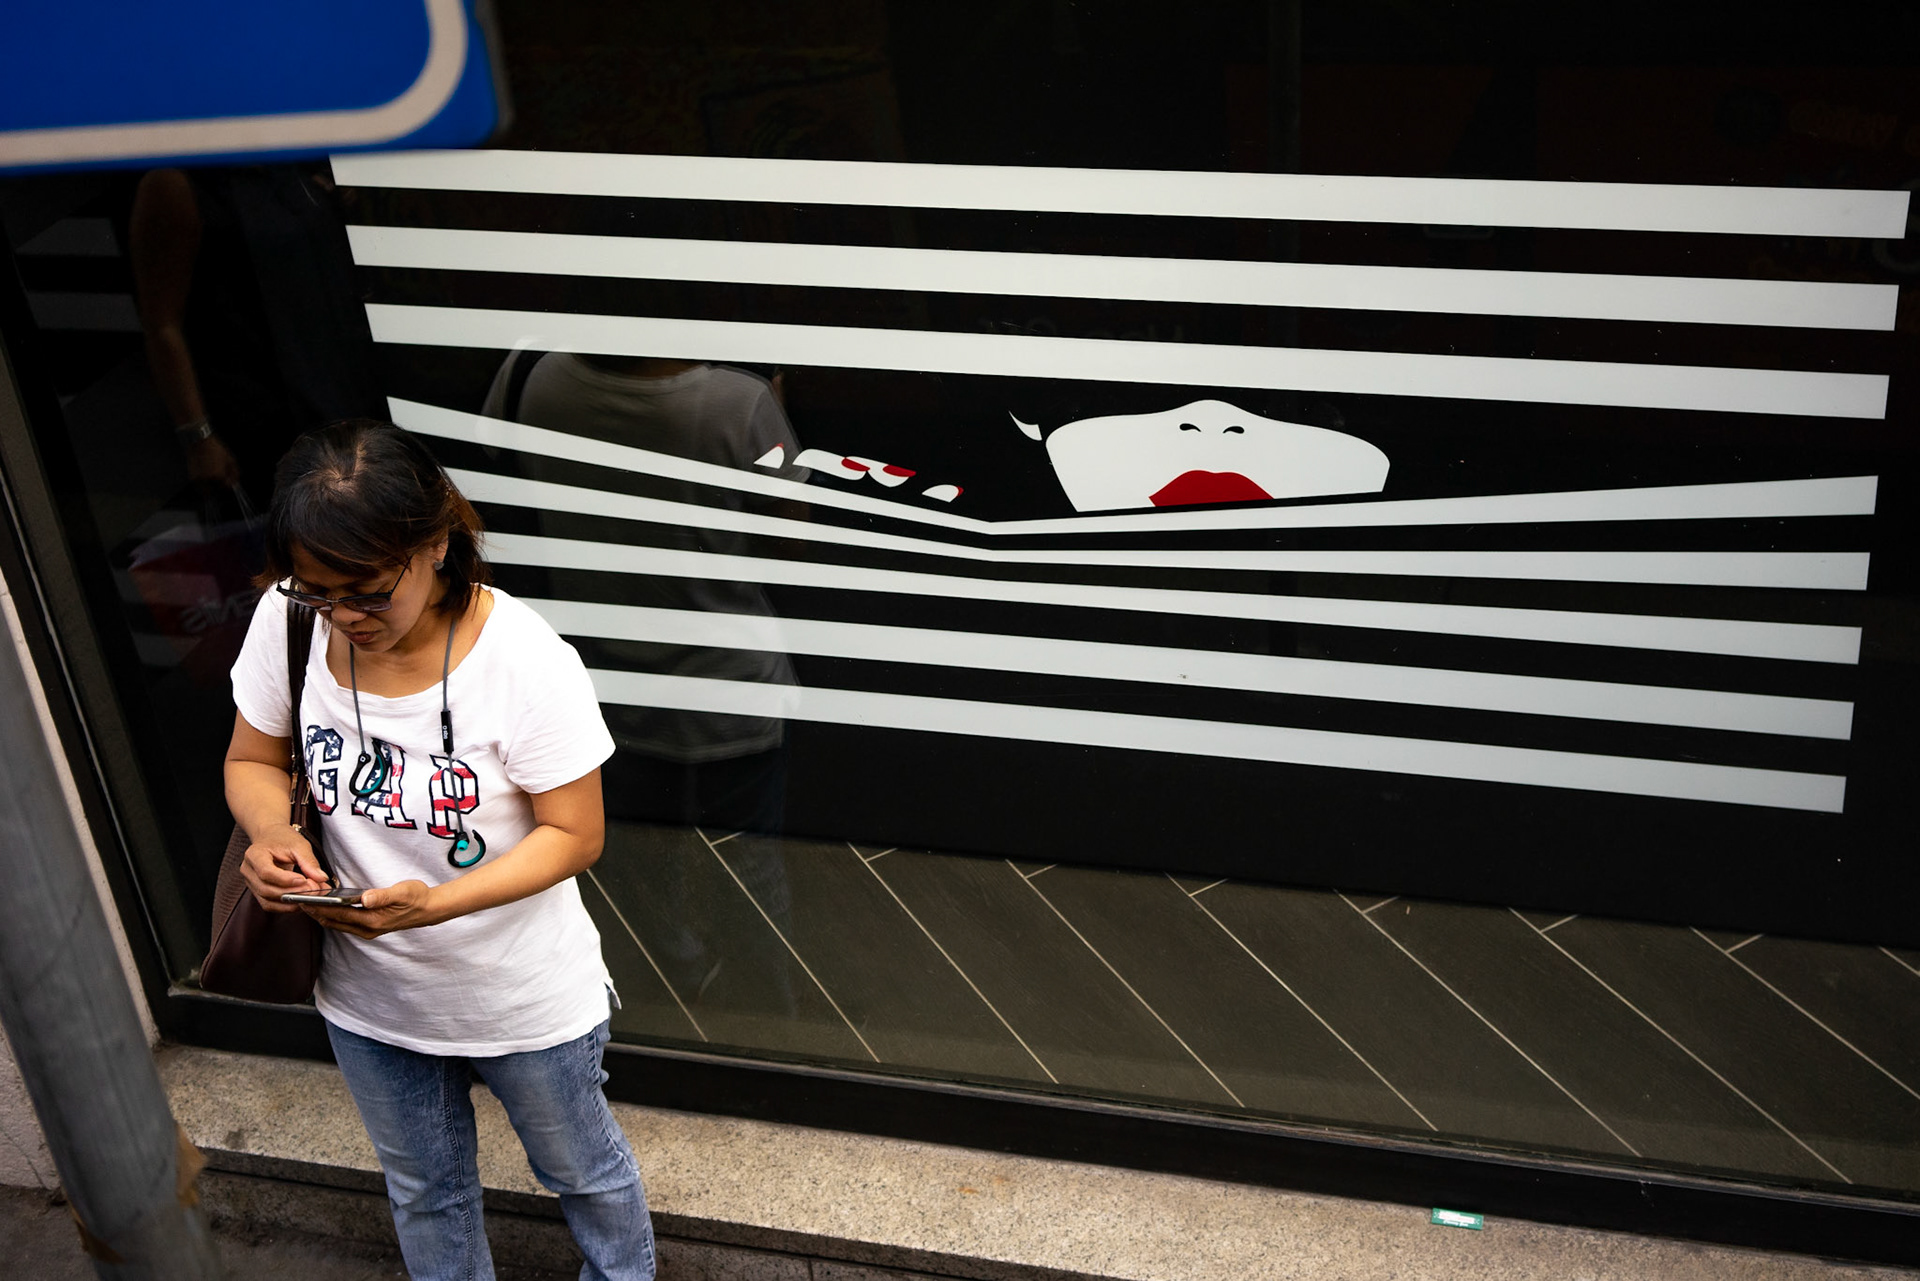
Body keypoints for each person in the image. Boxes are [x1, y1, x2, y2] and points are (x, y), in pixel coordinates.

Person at [223, 419, 654, 1281]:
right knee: (425, 1190)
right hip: (371, 997)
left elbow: (576, 834)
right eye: (319, 592)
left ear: (436, 544)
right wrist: (272, 834)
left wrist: (434, 904)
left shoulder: (526, 661)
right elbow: (252, 759)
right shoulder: (289, 621)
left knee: (581, 1171)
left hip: (521, 995)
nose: (345, 616)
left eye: (368, 591)